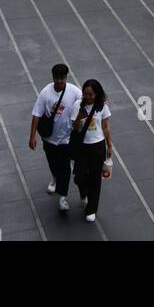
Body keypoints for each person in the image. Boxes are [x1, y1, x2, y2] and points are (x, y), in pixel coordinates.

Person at [29, 64, 83, 213]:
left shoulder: (74, 91)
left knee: (65, 168)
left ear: (66, 77)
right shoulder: (45, 93)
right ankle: (54, 178)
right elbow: (36, 114)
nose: (60, 81)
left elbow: (85, 103)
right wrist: (32, 136)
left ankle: (62, 198)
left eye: (62, 78)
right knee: (53, 164)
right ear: (53, 77)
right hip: (49, 139)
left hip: (66, 139)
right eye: (57, 78)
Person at [71, 79, 112, 222]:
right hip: (82, 147)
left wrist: (110, 145)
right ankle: (84, 193)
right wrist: (78, 118)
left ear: (97, 94)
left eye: (91, 94)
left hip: (98, 146)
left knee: (95, 178)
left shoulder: (102, 107)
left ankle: (92, 208)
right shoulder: (78, 105)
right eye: (85, 94)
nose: (87, 97)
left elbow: (106, 127)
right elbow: (75, 128)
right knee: (78, 177)